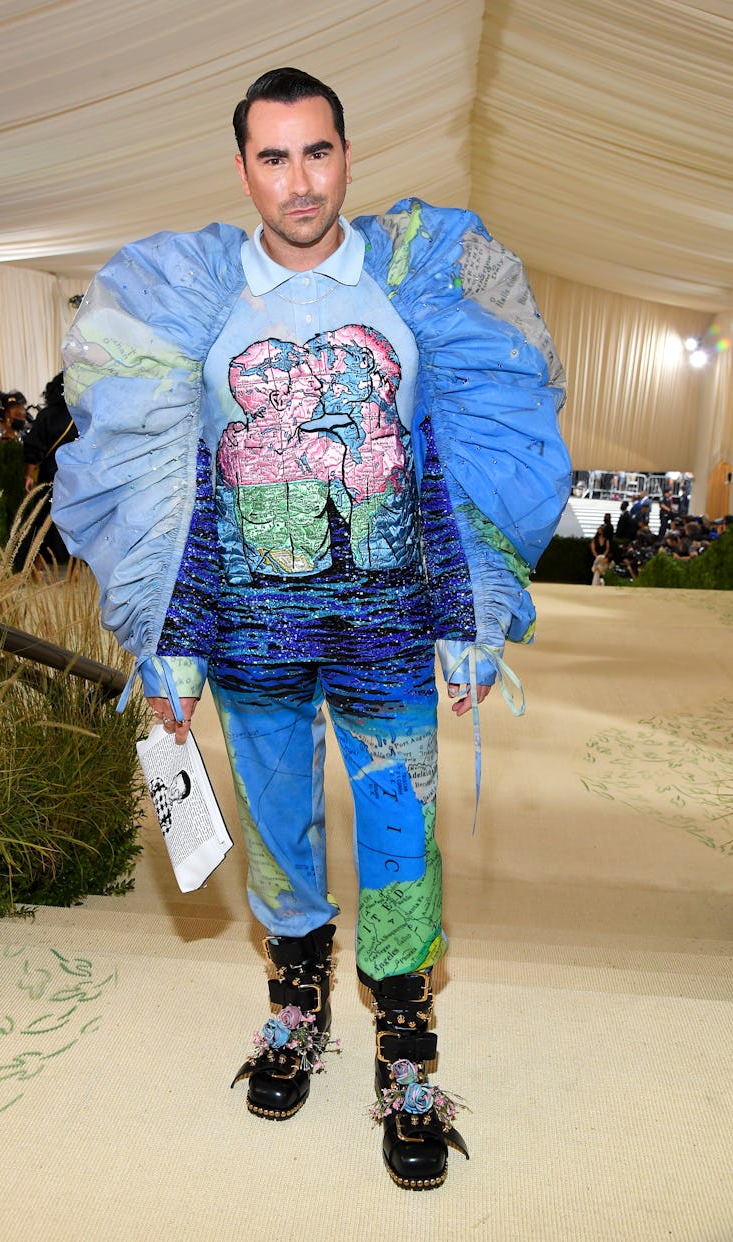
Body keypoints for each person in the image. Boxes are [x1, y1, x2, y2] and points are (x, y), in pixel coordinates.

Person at [52, 67, 571, 1190]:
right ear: (242, 166)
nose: (300, 181)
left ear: (348, 155)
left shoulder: (416, 290)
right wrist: (168, 651)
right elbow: (170, 494)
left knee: (398, 842)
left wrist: (471, 619)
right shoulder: (194, 304)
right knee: (280, 831)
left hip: (386, 639)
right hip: (253, 646)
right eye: (275, 157)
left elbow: (456, 460)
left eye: (319, 153)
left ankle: (405, 1043)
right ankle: (295, 1002)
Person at [22, 371, 78, 568]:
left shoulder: (45, 415)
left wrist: (29, 475)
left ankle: (36, 566)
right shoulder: (83, 417)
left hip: (50, 478)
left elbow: (34, 447)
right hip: (76, 480)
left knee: (44, 521)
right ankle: (75, 569)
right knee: (75, 523)